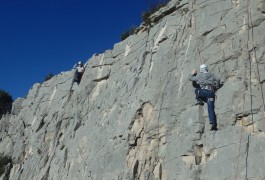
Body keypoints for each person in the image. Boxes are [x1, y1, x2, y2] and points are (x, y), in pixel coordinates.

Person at [189, 64, 220, 131]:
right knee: (211, 109)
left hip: (204, 92)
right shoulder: (212, 75)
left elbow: (190, 78)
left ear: (201, 69)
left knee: (197, 90)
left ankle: (199, 100)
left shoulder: (199, 76)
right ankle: (213, 124)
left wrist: (193, 73)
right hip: (211, 93)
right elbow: (218, 79)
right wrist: (216, 86)